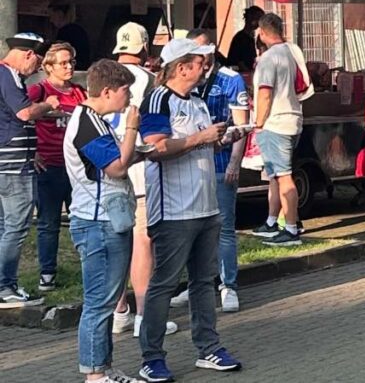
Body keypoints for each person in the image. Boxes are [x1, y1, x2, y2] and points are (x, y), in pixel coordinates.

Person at [137, 38, 241, 381]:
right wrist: (202, 138)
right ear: (181, 67)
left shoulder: (197, 101)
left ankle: (208, 347)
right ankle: (151, 356)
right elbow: (156, 148)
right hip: (173, 209)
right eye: (200, 62)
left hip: (205, 205)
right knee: (164, 283)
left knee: (203, 281)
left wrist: (222, 137)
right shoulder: (158, 99)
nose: (206, 67)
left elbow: (201, 140)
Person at [65, 60, 142, 383]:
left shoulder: (95, 120)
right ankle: (94, 373)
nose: (129, 98)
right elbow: (117, 168)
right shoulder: (87, 124)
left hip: (108, 218)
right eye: (125, 91)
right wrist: (132, 128)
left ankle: (104, 366)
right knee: (99, 302)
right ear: (107, 91)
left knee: (107, 299)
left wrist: (138, 149)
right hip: (98, 222)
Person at [107, 23, 178, 337]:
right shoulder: (150, 81)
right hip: (139, 170)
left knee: (114, 242)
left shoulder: (101, 77)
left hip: (105, 169)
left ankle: (118, 309)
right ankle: (144, 316)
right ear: (145, 48)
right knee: (142, 243)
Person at [175, 29, 249, 312]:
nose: (199, 60)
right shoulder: (188, 82)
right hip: (193, 164)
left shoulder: (230, 80)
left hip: (220, 164)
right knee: (193, 229)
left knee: (224, 227)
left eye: (203, 53)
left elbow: (241, 125)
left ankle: (228, 284)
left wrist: (234, 162)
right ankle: (197, 283)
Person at [0, 33, 59, 308]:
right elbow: (24, 114)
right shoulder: (8, 76)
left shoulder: (9, 77)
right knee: (17, 225)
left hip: (12, 159)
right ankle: (5, 286)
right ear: (28, 54)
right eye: (38, 61)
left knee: (5, 226)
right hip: (12, 166)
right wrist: (50, 105)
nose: (37, 68)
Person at [28, 42, 86, 293]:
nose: (69, 67)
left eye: (71, 62)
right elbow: (21, 117)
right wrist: (33, 153)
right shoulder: (39, 90)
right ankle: (47, 274)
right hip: (48, 165)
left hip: (75, 166)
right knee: (48, 222)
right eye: (63, 62)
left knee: (83, 219)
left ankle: (88, 267)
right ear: (48, 67)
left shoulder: (79, 92)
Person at [249, 14, 305, 246]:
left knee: (283, 176)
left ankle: (290, 228)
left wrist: (258, 122)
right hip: (292, 118)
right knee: (274, 175)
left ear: (262, 32)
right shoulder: (290, 53)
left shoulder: (269, 58)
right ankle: (272, 221)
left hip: (275, 122)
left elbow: (264, 92)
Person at [49, 0, 91, 70]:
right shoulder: (79, 30)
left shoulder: (65, 32)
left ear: (60, 14)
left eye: (51, 16)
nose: (51, 20)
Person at [225, 6, 263, 72]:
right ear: (250, 18)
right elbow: (239, 61)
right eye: (258, 18)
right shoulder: (240, 38)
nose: (259, 23)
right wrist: (249, 73)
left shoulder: (250, 38)